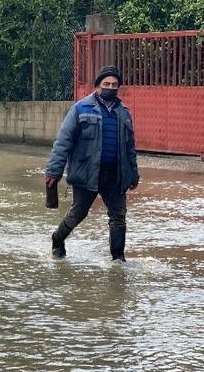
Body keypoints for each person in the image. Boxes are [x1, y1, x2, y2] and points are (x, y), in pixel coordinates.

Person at [44, 65, 139, 261]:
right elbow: (63, 141)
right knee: (78, 213)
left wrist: (133, 173)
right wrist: (54, 171)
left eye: (114, 85)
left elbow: (130, 147)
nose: (110, 88)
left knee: (118, 216)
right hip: (87, 173)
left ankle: (118, 259)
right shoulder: (80, 108)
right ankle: (57, 239)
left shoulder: (123, 113)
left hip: (115, 176)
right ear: (97, 86)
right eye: (106, 84)